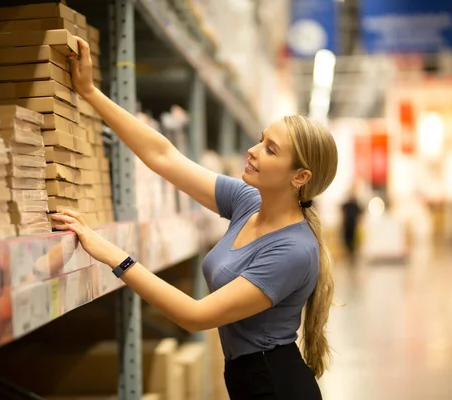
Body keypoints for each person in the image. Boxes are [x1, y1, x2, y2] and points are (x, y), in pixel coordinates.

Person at [52, 37, 338, 400]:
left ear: (300, 177)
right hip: (248, 376)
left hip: (272, 384)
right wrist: (90, 92)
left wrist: (115, 256)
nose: (252, 150)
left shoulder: (294, 250)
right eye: (260, 139)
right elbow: (163, 157)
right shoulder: (248, 201)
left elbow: (195, 315)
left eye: (270, 149)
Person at [340, 191, 362, 265]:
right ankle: (349, 253)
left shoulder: (355, 205)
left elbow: (360, 213)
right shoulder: (346, 205)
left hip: (353, 225)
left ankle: (352, 253)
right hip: (347, 225)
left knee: (353, 240)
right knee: (347, 239)